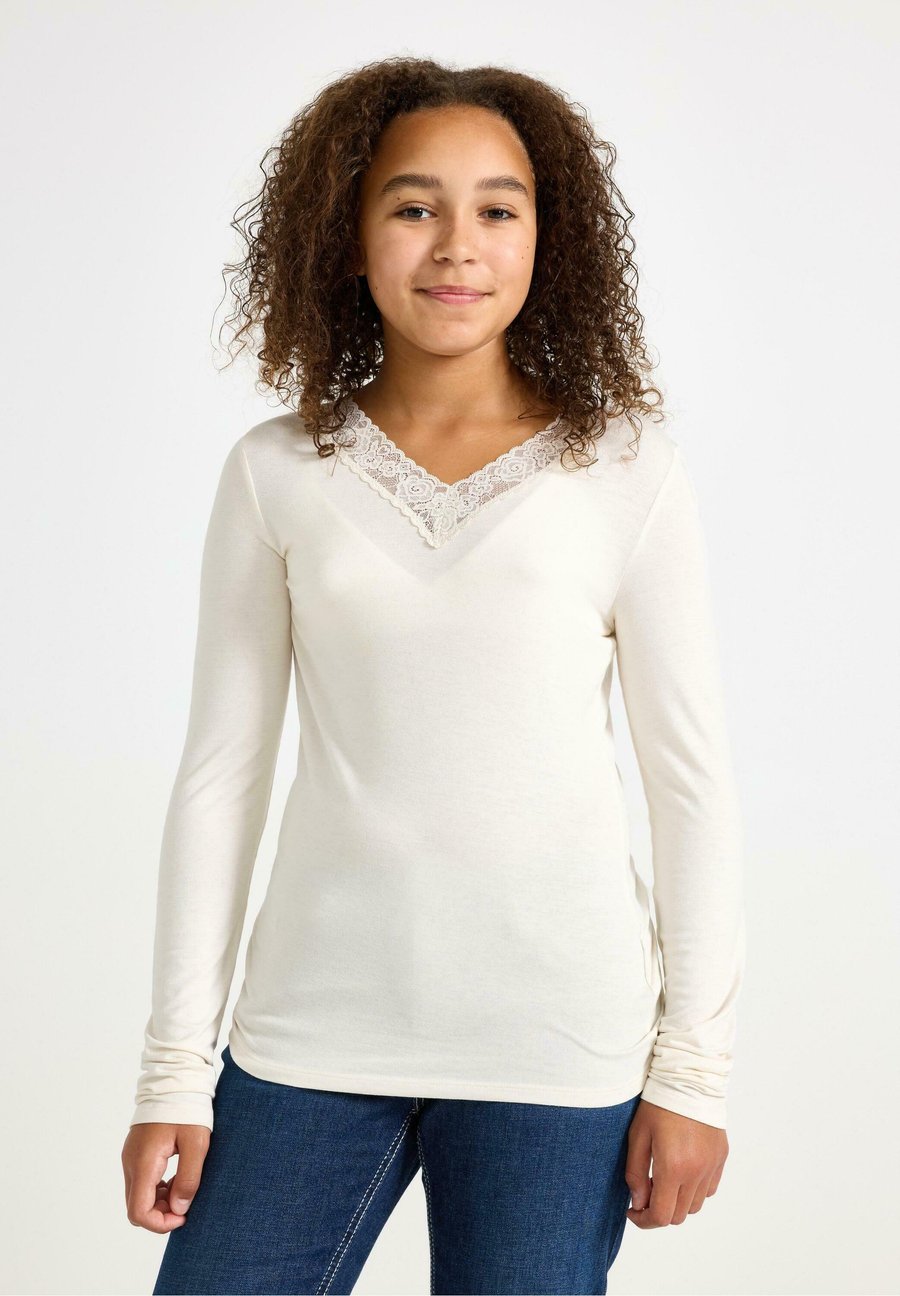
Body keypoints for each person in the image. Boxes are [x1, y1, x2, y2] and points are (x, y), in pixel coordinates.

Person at [121, 55, 747, 1296]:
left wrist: (694, 1072)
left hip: (557, 1051)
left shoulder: (627, 471)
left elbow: (692, 787)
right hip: (309, 1036)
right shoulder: (278, 472)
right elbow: (220, 780)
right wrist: (173, 1071)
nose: (457, 244)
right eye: (414, 206)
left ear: (545, 241)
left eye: (497, 209)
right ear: (347, 237)